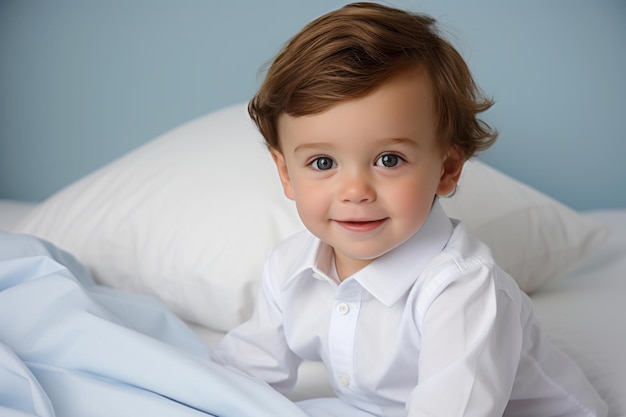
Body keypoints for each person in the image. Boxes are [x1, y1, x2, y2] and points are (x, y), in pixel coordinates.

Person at [212, 3, 608, 416]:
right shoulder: (289, 269)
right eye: (323, 163)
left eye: (389, 160)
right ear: (286, 174)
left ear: (448, 168)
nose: (355, 191)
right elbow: (239, 375)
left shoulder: (462, 290)